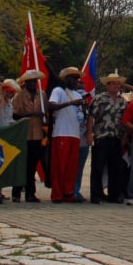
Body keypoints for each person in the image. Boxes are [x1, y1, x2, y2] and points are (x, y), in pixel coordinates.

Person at [48, 67, 86, 203]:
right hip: (61, 133)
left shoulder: (78, 95)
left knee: (72, 167)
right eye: (74, 78)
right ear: (67, 79)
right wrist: (70, 103)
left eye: (78, 78)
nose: (76, 80)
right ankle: (57, 194)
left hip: (75, 134)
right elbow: (51, 106)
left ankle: (69, 193)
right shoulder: (58, 91)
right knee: (60, 166)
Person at [88, 72, 128, 203]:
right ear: (108, 85)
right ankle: (96, 195)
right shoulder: (99, 98)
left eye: (118, 83)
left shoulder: (122, 101)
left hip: (116, 137)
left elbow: (125, 120)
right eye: (114, 83)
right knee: (98, 167)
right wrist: (89, 133)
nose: (117, 86)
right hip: (101, 136)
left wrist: (125, 137)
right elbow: (91, 116)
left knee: (115, 168)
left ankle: (114, 195)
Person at [11, 69, 47, 203]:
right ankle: (16, 193)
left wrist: (43, 117)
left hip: (37, 134)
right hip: (23, 134)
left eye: (34, 81)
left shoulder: (42, 95)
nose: (32, 84)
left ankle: (30, 193)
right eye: (30, 82)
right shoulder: (19, 96)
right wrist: (32, 114)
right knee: (21, 164)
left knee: (32, 165)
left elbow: (46, 112)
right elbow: (14, 114)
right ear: (25, 83)